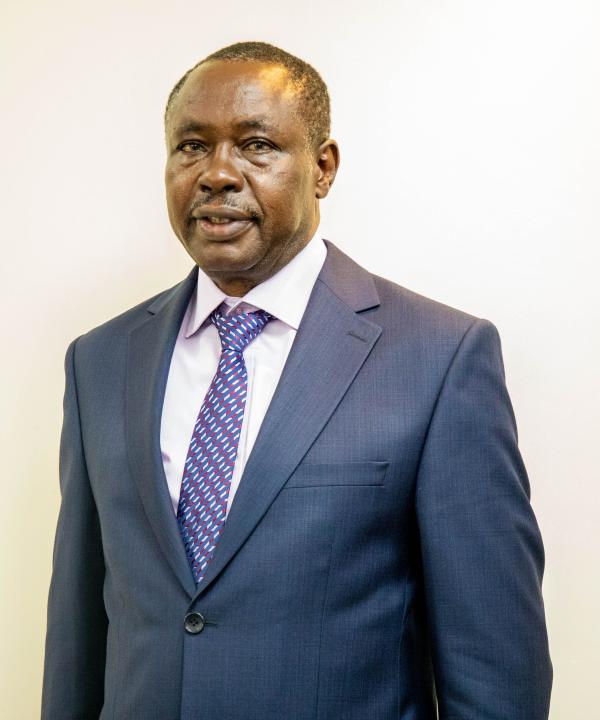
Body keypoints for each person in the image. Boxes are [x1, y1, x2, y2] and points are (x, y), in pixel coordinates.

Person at [42, 41, 552, 720]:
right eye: (192, 147)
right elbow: (77, 637)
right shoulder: (99, 361)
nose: (217, 174)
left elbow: (495, 668)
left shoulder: (440, 358)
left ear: (322, 167)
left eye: (256, 146)